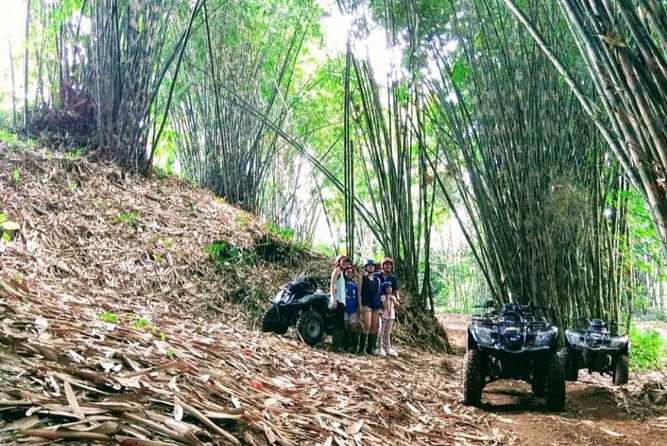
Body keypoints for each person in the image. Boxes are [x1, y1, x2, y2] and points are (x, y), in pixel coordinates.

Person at [357, 259, 382, 354]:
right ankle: (361, 349)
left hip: (376, 304)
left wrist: (380, 306)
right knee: (366, 325)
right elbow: (359, 293)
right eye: (369, 265)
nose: (371, 267)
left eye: (372, 266)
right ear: (366, 267)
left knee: (374, 326)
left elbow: (378, 293)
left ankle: (370, 348)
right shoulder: (361, 278)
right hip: (366, 303)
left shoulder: (377, 279)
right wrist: (359, 305)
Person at [329, 255, 351, 351]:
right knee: (338, 323)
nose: (345, 263)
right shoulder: (337, 271)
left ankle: (338, 345)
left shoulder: (342, 273)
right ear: (339, 261)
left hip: (341, 301)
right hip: (337, 300)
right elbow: (332, 284)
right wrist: (334, 298)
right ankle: (335, 346)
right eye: (344, 261)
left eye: (347, 262)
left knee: (340, 322)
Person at [379, 281, 400, 357]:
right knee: (381, 333)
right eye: (387, 288)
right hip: (384, 317)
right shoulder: (382, 297)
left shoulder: (393, 297)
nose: (389, 289)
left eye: (390, 288)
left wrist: (394, 300)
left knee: (388, 333)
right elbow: (384, 306)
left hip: (391, 317)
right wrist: (387, 298)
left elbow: (397, 306)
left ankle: (388, 348)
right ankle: (380, 347)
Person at [343, 266, 360, 352]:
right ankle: (346, 346)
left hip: (353, 308)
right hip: (344, 308)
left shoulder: (355, 285)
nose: (349, 273)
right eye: (348, 272)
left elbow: (358, 296)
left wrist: (358, 306)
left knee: (353, 327)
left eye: (351, 272)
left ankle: (354, 346)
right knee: (345, 327)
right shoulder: (342, 283)